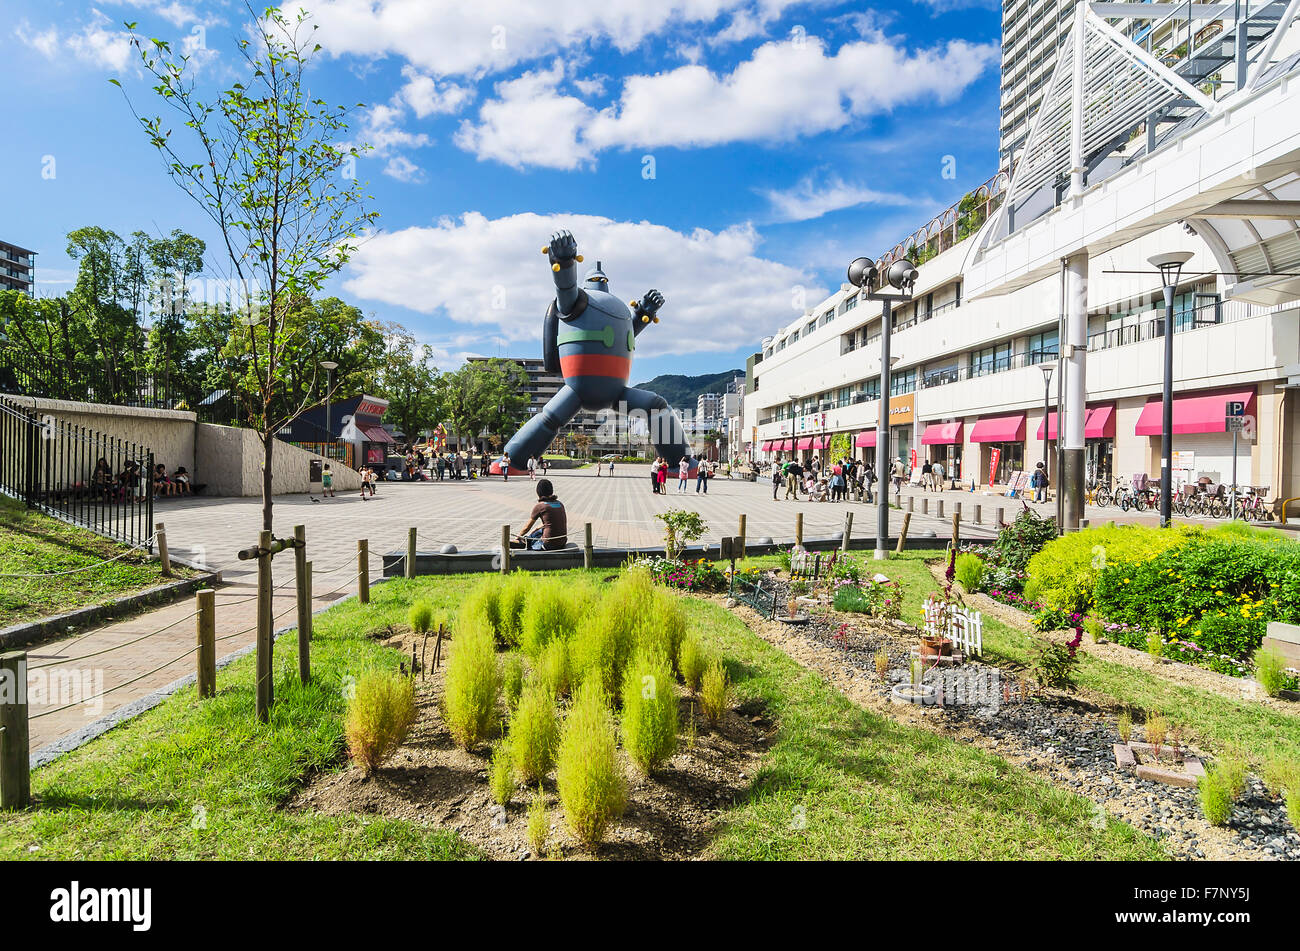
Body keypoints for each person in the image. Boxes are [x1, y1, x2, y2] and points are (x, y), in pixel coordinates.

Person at [512, 478, 568, 550]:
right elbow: (551, 522)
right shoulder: (560, 503)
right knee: (539, 531)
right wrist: (536, 529)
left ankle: (524, 542)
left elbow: (527, 528)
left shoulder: (540, 506)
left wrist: (518, 536)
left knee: (531, 545)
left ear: (538, 492)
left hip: (548, 545)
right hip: (562, 542)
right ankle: (527, 540)